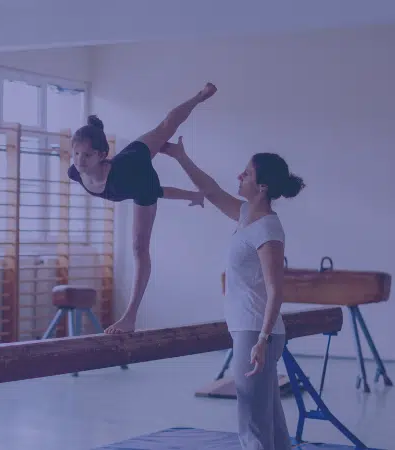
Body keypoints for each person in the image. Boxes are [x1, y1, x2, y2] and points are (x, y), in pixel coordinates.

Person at [161, 137, 305, 450]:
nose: (239, 177)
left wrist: (262, 340)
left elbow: (275, 288)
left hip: (256, 331)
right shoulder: (245, 216)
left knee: (252, 424)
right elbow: (210, 190)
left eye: (246, 174)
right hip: (252, 329)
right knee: (270, 421)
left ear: (262, 186)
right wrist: (181, 157)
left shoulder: (267, 228)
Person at [68, 82, 219, 334]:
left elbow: (157, 192)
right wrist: (194, 195)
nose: (80, 161)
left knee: (139, 247)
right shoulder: (75, 172)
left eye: (86, 155)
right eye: (76, 154)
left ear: (102, 154)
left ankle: (199, 96)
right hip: (126, 165)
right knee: (161, 133)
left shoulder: (125, 177)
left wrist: (191, 195)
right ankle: (172, 151)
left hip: (135, 166)